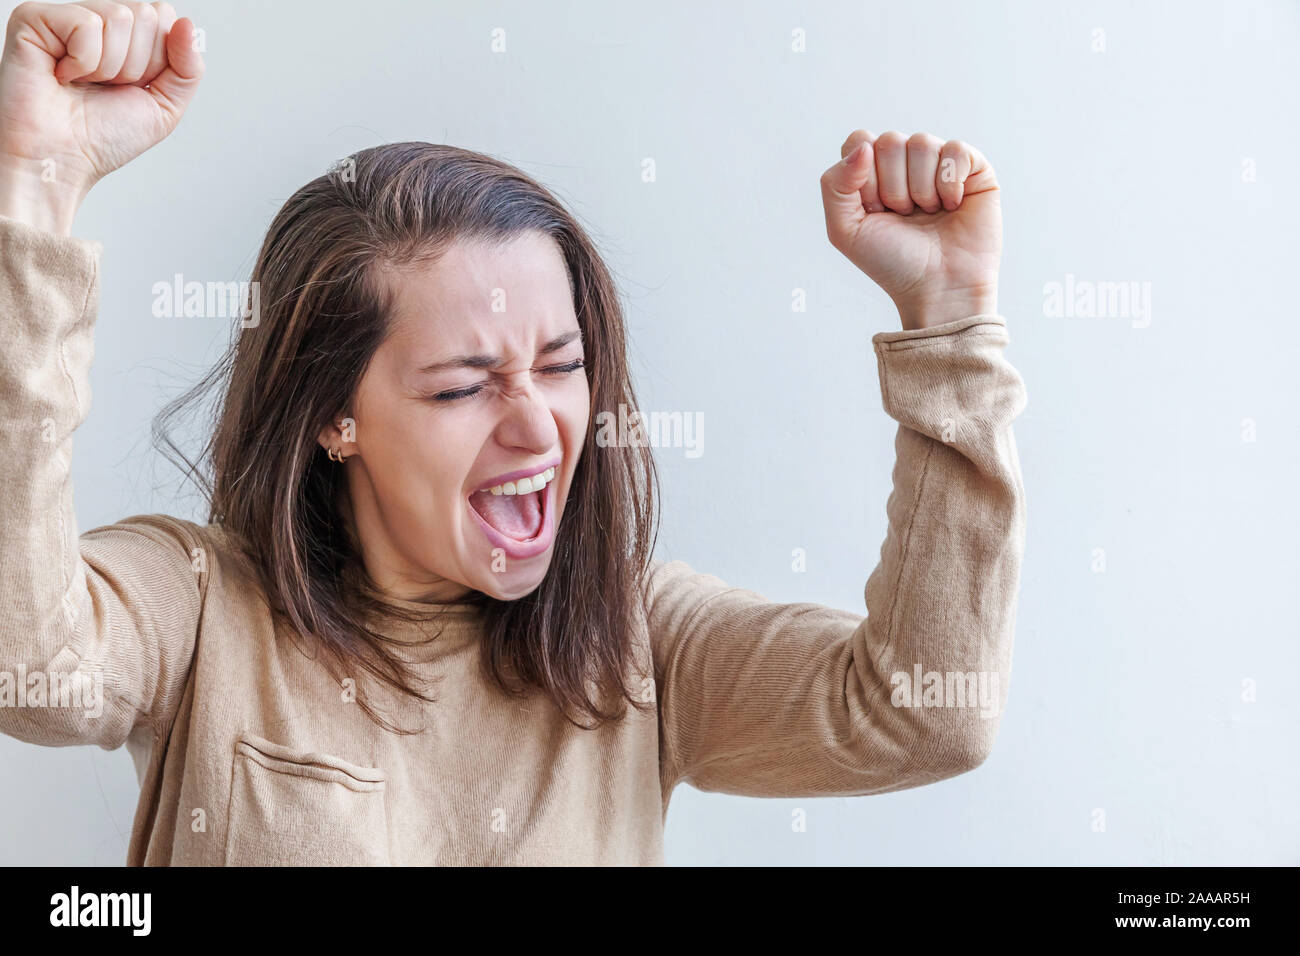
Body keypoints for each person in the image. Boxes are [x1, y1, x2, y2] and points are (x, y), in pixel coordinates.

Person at [0, 0, 1027, 865]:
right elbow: (30, 666)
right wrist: (35, 194)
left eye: (564, 365)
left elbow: (924, 710)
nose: (538, 424)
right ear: (331, 416)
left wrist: (947, 321)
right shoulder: (195, 602)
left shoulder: (643, 641)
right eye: (462, 388)